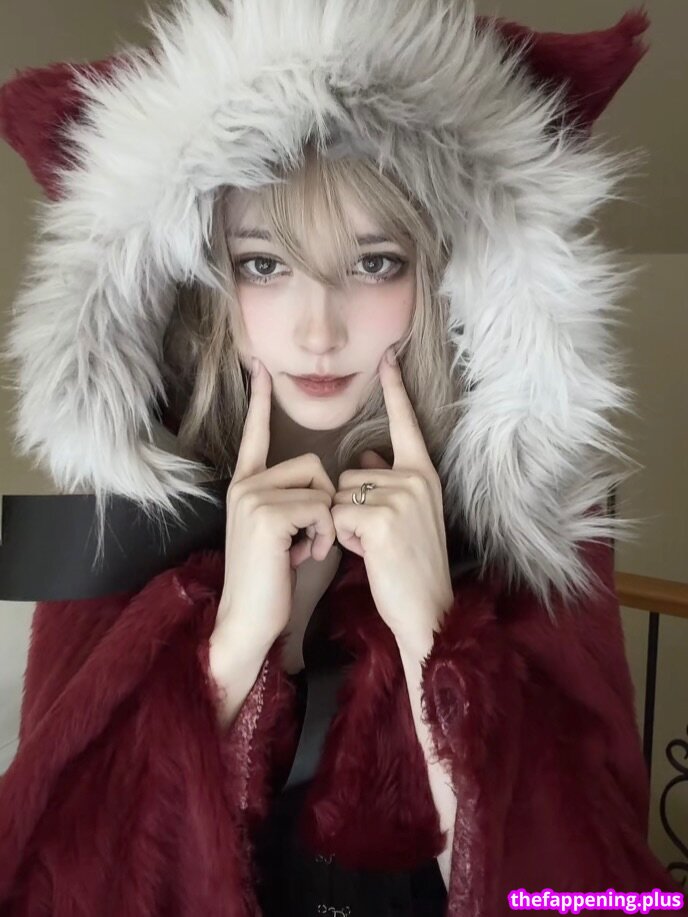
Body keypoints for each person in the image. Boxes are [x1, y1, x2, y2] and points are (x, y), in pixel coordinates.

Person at [0, 0, 684, 914]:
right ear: (207, 283)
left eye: (373, 263)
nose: (318, 330)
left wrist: (433, 634)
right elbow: (51, 886)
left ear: (441, 275)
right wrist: (235, 647)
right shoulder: (115, 524)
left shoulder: (545, 527)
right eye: (264, 264)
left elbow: (596, 899)